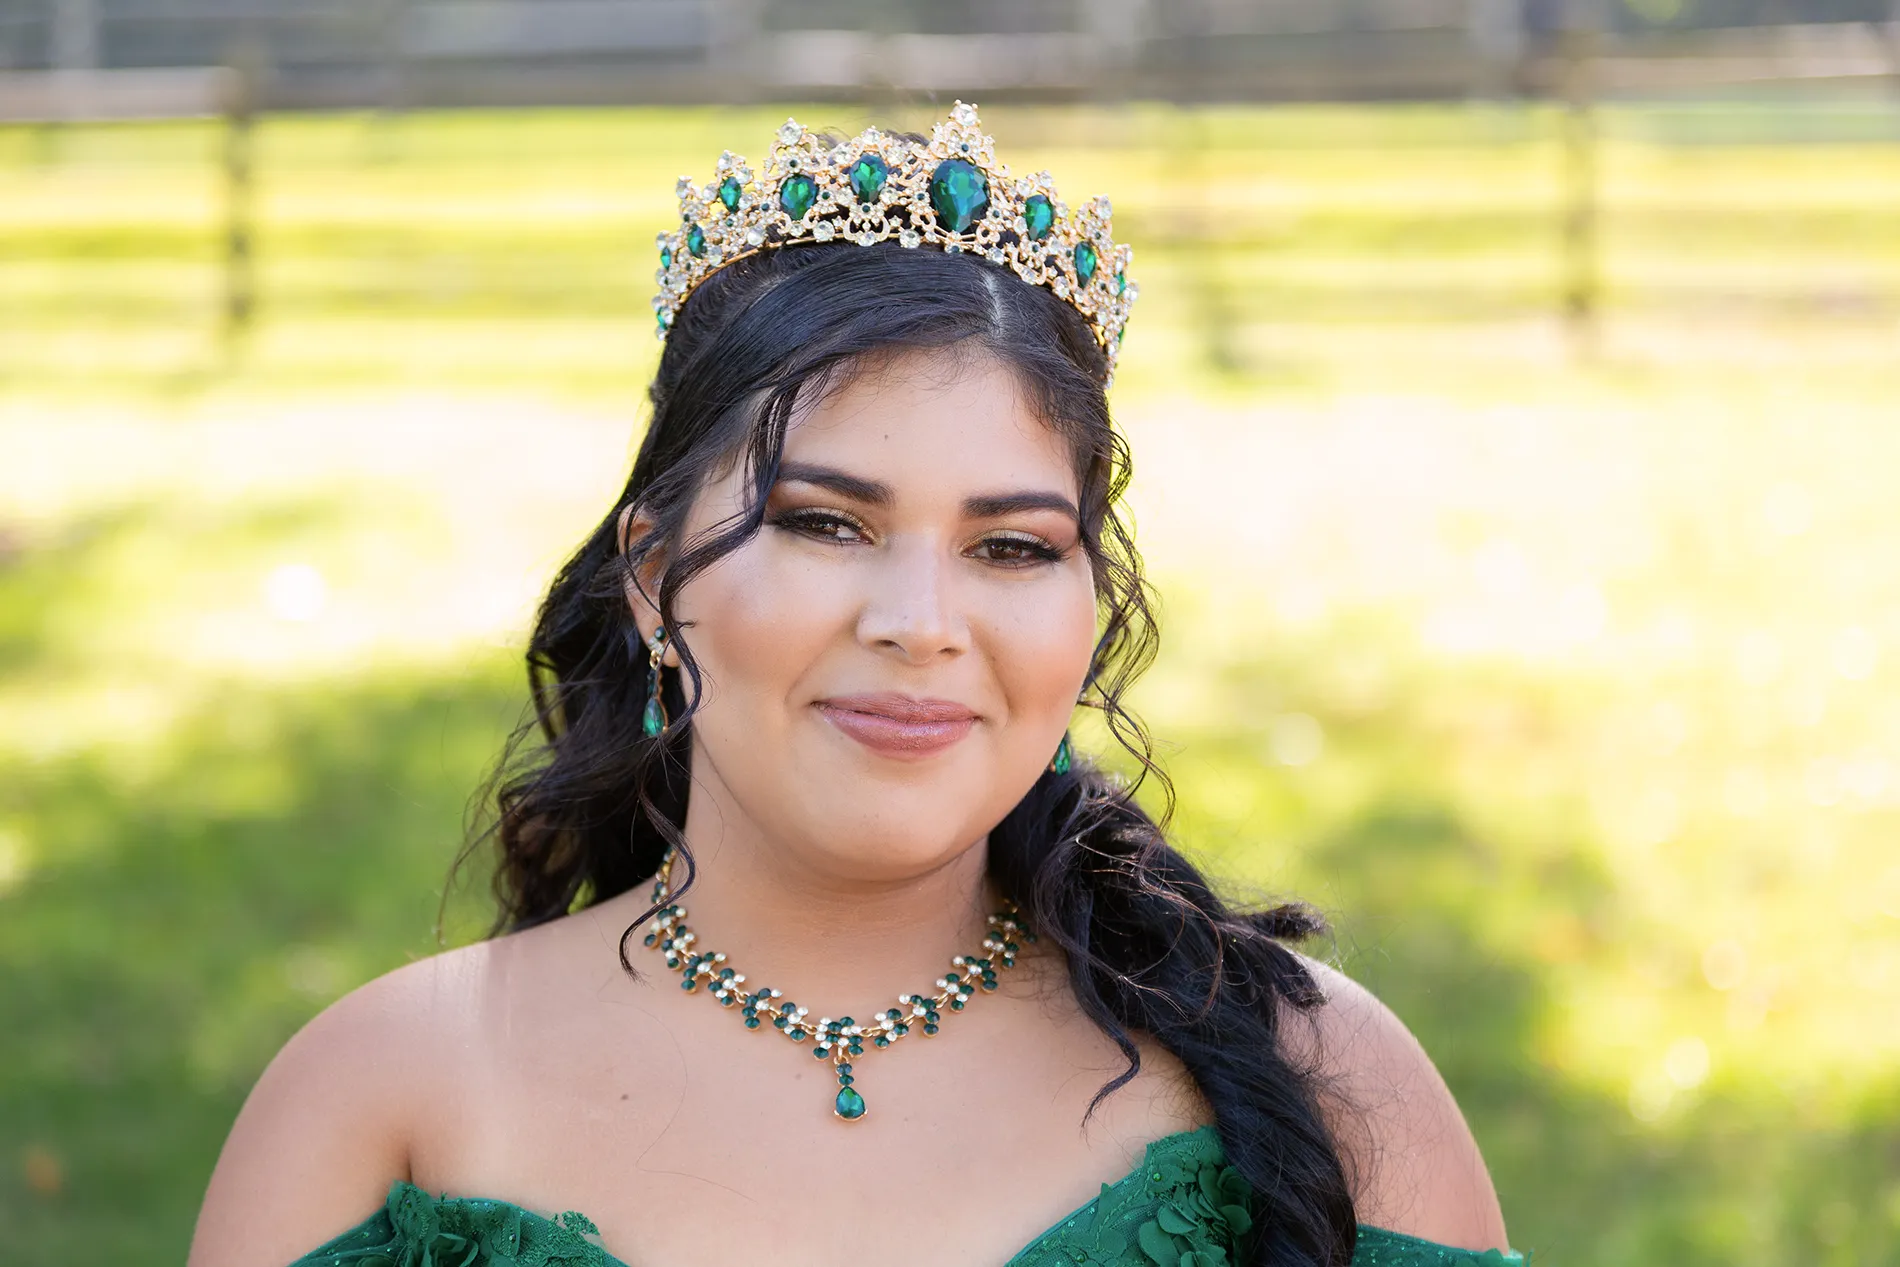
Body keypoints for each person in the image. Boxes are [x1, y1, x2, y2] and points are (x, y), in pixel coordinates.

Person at [188, 102, 1520, 1267]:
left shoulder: (1320, 1082)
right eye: (825, 522)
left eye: (1011, 546)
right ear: (653, 576)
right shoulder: (382, 1101)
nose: (922, 623)